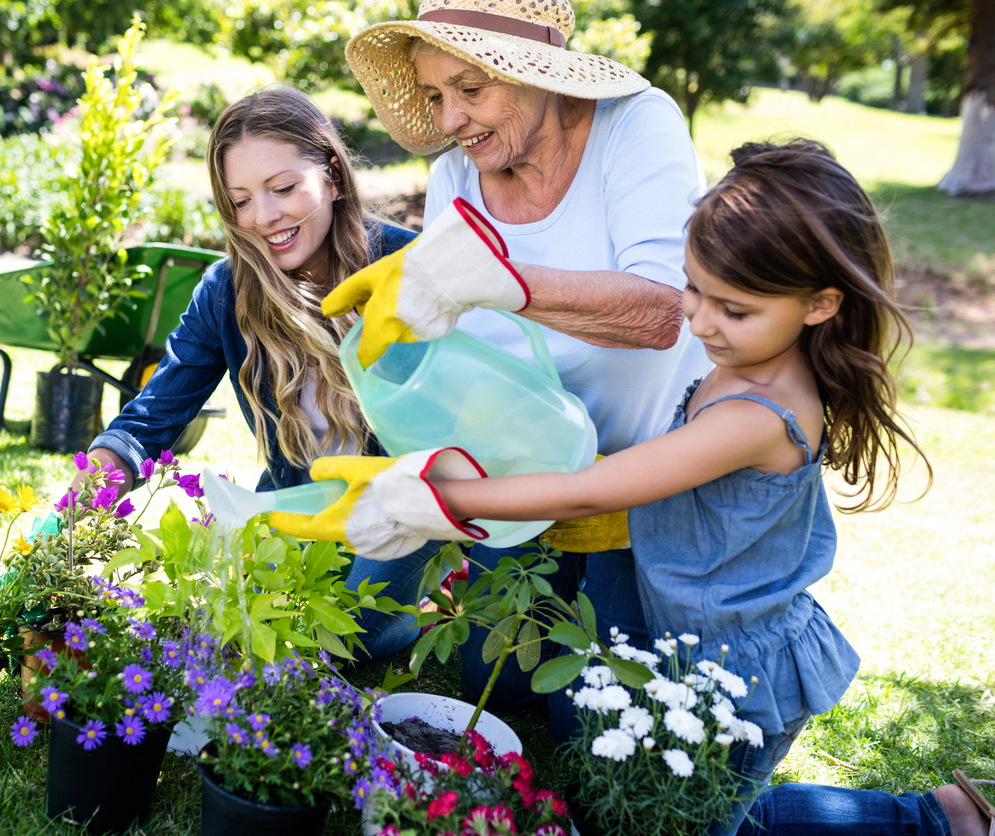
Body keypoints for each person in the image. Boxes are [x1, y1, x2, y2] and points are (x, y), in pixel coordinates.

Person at [272, 140, 992, 836]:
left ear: (819, 304)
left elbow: (593, 490)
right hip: (686, 638)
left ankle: (931, 820)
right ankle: (939, 817)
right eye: (691, 290)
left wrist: (437, 498)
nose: (699, 321)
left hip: (740, 668)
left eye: (732, 309)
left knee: (691, 819)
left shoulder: (758, 413)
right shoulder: (744, 359)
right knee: (685, 809)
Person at [328, 0, 713, 708]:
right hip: (524, 472)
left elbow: (663, 313)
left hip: (644, 483)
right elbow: (470, 352)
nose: (448, 121)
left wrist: (503, 284)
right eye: (435, 95)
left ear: (542, 76)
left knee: (604, 721)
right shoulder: (458, 174)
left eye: (471, 90)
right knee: (492, 686)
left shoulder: (635, 124)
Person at [80, 87, 440, 659]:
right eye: (241, 199)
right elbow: (152, 417)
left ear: (333, 177)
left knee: (344, 643)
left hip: (397, 515)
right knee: (225, 631)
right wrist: (83, 498)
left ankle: (419, 609)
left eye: (284, 188)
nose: (265, 218)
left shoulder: (408, 267)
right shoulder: (227, 291)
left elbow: (453, 433)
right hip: (293, 512)